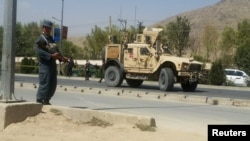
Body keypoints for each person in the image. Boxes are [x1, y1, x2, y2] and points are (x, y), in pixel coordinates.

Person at [34, 20, 68, 105]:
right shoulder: (41, 39)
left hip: (52, 66)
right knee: (45, 83)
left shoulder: (51, 39)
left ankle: (46, 100)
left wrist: (62, 58)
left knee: (52, 84)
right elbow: (39, 52)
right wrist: (51, 56)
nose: (48, 29)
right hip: (45, 66)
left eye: (49, 28)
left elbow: (55, 51)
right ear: (43, 28)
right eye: (46, 28)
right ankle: (39, 100)